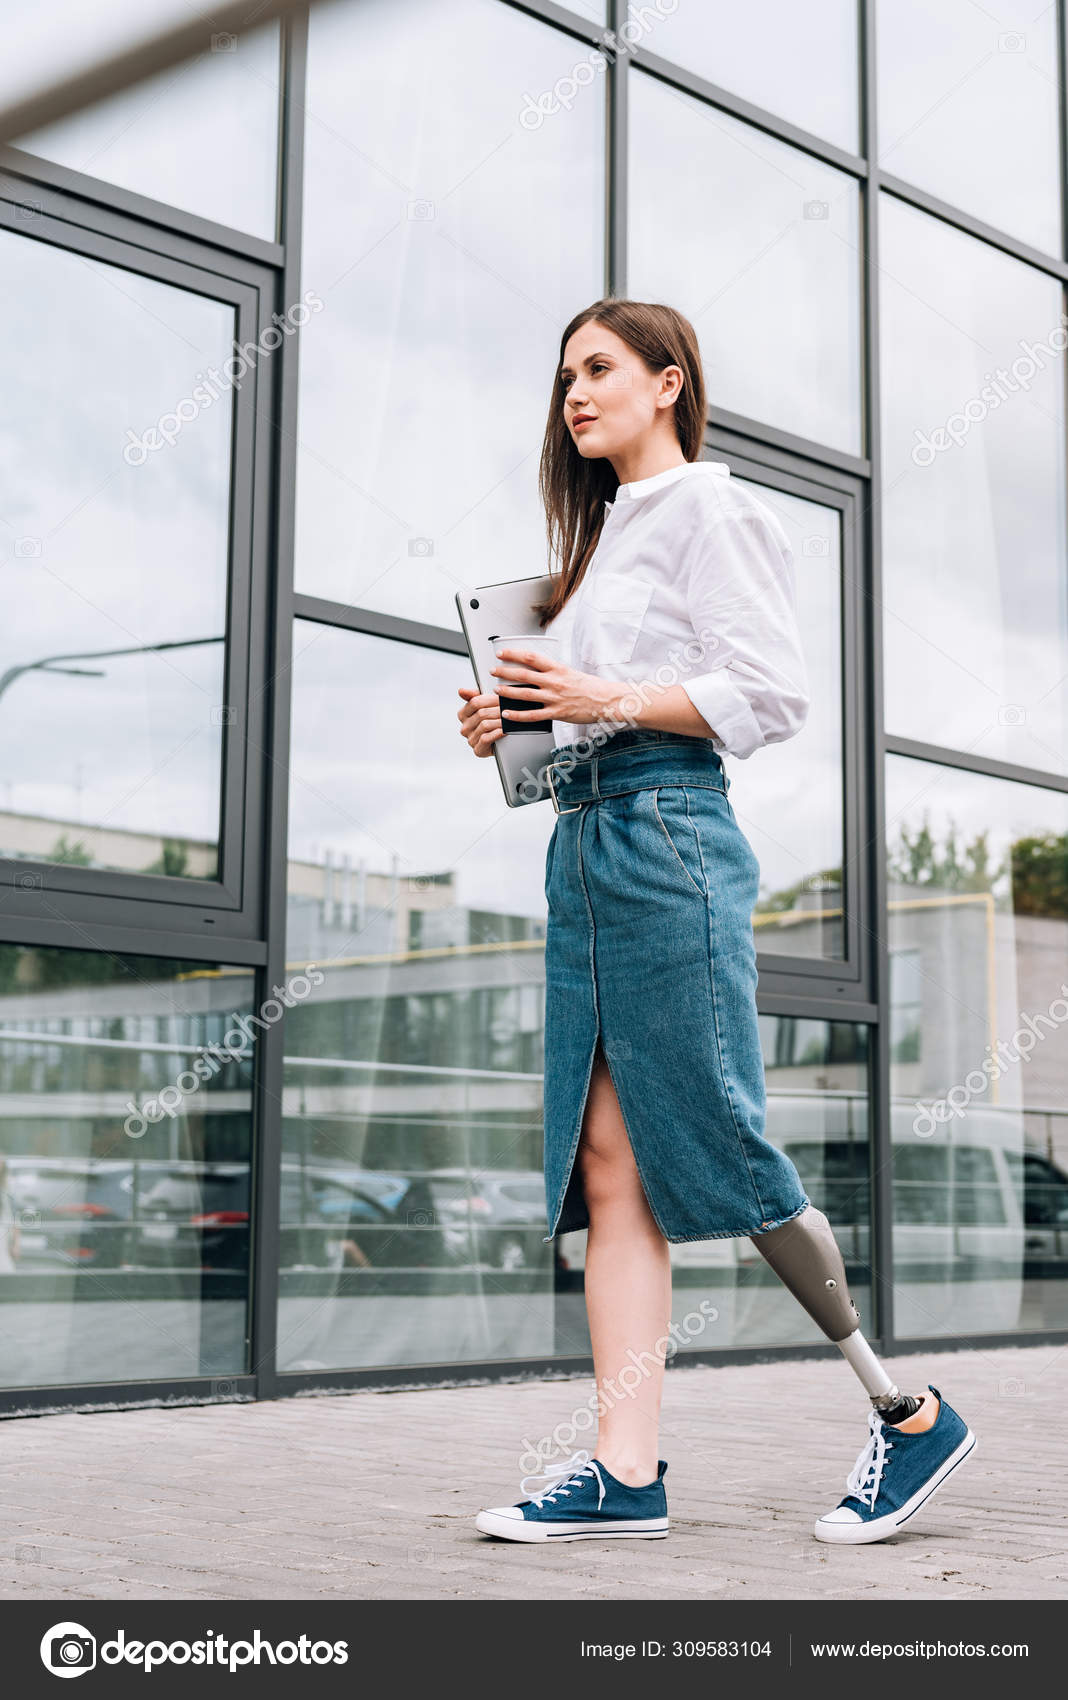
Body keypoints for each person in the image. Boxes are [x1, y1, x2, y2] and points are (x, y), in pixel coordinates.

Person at [457, 298, 975, 1546]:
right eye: (564, 374)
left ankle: (909, 1413)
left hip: (670, 841)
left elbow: (772, 690)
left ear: (668, 381)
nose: (574, 391)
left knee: (721, 1141)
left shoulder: (713, 510)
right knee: (608, 1166)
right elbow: (594, 707)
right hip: (584, 842)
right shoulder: (592, 552)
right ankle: (624, 1471)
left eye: (599, 368)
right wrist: (516, 728)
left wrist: (602, 692)